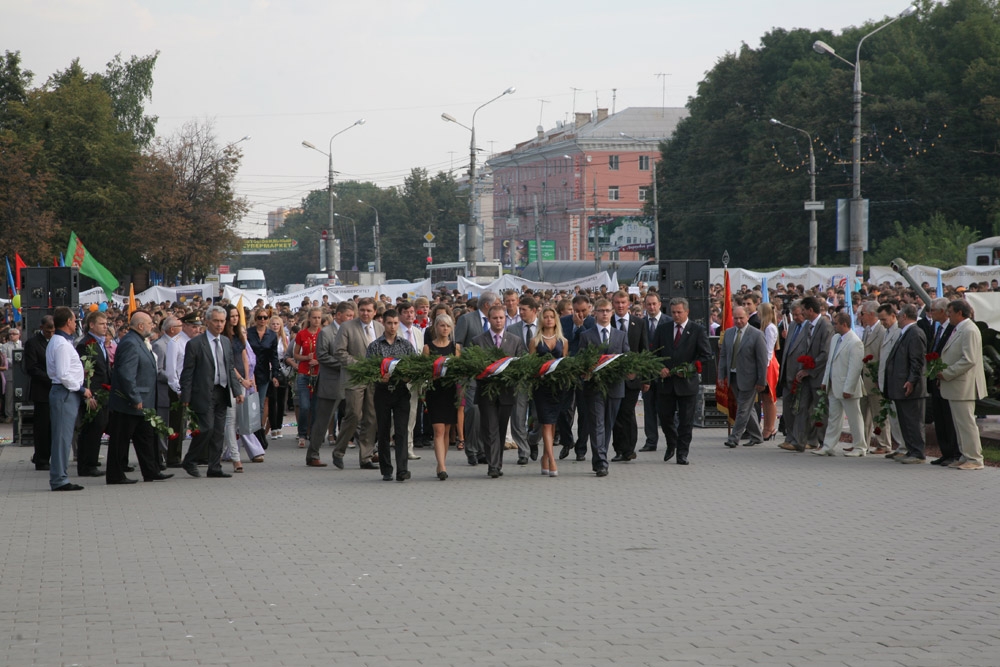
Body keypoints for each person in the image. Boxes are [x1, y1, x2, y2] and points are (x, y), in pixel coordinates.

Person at [106, 312, 172, 484]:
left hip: (143, 401)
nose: (153, 326)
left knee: (146, 437)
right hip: (130, 402)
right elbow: (126, 374)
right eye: (150, 323)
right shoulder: (130, 342)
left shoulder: (139, 341)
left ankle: (151, 471)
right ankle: (115, 475)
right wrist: (134, 397)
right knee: (121, 440)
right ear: (141, 325)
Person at [180, 305, 245, 479]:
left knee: (218, 431)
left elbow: (230, 368)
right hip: (203, 392)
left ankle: (214, 467)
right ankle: (190, 460)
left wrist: (237, 391)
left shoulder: (225, 342)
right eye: (216, 321)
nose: (219, 324)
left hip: (222, 391)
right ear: (207, 321)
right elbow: (187, 372)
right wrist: (185, 396)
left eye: (222, 321)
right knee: (206, 428)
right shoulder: (195, 344)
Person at [652, 297, 712, 464]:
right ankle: (672, 442)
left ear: (687, 312)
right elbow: (653, 353)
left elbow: (706, 356)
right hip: (666, 383)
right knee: (665, 417)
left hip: (686, 384)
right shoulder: (663, 329)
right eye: (673, 312)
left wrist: (688, 369)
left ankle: (682, 453)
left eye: (679, 312)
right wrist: (660, 368)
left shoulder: (697, 330)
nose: (676, 315)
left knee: (686, 421)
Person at [471, 304, 527, 479]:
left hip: (506, 393)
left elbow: (520, 365)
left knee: (501, 429)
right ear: (489, 319)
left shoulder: (515, 340)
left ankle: (497, 462)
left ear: (505, 319)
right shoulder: (478, 341)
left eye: (501, 318)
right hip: (486, 392)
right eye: (495, 318)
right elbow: (474, 367)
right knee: (490, 428)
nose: (498, 321)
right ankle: (493, 465)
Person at [578, 298, 629, 477]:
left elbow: (627, 357)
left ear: (612, 312)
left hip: (615, 387)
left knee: (607, 424)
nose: (605, 314)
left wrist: (629, 371)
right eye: (601, 311)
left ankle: (601, 456)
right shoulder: (586, 335)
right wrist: (586, 371)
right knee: (597, 424)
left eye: (607, 310)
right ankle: (601, 462)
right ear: (595, 313)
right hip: (594, 387)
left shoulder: (620, 335)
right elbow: (581, 360)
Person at [331, 297, 384, 470]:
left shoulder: (380, 328)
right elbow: (339, 351)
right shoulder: (347, 327)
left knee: (371, 417)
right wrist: (359, 365)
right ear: (357, 310)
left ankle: (366, 457)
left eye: (369, 310)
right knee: (353, 414)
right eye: (362, 310)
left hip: (374, 378)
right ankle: (339, 451)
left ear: (374, 312)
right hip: (354, 377)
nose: (365, 313)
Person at [366, 309, 417, 481]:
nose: (392, 326)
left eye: (395, 323)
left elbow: (414, 366)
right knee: (383, 431)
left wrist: (408, 376)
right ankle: (386, 469)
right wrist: (379, 378)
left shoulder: (405, 345)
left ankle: (402, 469)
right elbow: (368, 371)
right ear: (383, 323)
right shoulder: (375, 346)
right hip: (382, 393)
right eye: (389, 323)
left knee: (401, 430)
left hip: (401, 392)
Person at [779, 296, 832, 452]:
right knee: (801, 408)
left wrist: (809, 369)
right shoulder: (807, 326)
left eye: (802, 311)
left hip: (817, 376)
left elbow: (825, 353)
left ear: (810, 310)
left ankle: (824, 443)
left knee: (819, 410)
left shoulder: (825, 326)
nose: (800, 314)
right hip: (805, 375)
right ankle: (799, 441)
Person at [937, 300, 987, 470]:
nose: (948, 315)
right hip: (956, 386)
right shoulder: (959, 328)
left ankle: (975, 458)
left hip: (964, 385)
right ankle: (965, 455)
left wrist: (947, 373)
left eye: (950, 312)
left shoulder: (969, 330)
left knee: (966, 423)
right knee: (959, 424)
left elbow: (969, 359)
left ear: (959, 313)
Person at [46, 308, 90, 491]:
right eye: (74, 319)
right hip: (65, 392)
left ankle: (60, 476)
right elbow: (63, 374)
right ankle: (59, 479)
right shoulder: (62, 344)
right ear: (68, 322)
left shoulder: (60, 341)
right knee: (62, 438)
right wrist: (81, 389)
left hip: (64, 391)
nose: (75, 322)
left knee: (63, 437)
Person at [307, 301, 355, 466]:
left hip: (351, 381)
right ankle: (313, 454)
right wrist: (344, 364)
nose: (351, 318)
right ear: (338, 315)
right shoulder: (326, 332)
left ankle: (368, 452)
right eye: (348, 315)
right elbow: (322, 356)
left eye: (352, 316)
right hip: (331, 383)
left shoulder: (352, 331)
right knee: (323, 420)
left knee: (355, 416)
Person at [454, 291, 498, 466]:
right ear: (487, 305)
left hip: (490, 375)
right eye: (496, 303)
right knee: (473, 410)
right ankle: (471, 450)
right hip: (470, 374)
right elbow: (458, 345)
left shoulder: (495, 321)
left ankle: (482, 450)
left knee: (485, 412)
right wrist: (471, 357)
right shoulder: (467, 319)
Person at [814, 312, 866, 457]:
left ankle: (860, 447)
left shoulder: (855, 342)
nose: (833, 326)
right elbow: (830, 362)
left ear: (844, 324)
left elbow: (855, 368)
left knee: (854, 418)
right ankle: (828, 446)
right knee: (833, 418)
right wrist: (825, 381)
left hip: (848, 387)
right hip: (833, 385)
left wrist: (849, 388)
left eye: (835, 323)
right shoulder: (836, 338)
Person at [883, 304, 928, 464]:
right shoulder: (906, 332)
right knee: (906, 421)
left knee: (913, 421)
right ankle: (911, 450)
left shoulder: (915, 333)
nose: (897, 319)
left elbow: (917, 361)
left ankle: (918, 453)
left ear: (904, 316)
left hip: (911, 388)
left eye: (898, 315)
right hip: (902, 386)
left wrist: (911, 381)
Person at [719, 306, 767, 449]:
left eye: (741, 318)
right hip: (733, 376)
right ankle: (757, 436)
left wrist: (761, 380)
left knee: (743, 409)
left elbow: (762, 360)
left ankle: (734, 438)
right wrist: (721, 375)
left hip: (750, 379)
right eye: (736, 318)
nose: (738, 321)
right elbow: (723, 356)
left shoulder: (757, 335)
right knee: (747, 408)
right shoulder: (728, 333)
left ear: (747, 317)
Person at [610, 289, 648, 462]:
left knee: (627, 412)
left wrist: (645, 378)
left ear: (629, 304)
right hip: (614, 377)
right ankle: (619, 449)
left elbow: (644, 350)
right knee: (617, 414)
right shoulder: (608, 321)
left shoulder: (638, 323)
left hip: (633, 378)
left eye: (623, 302)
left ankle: (629, 448)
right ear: (613, 304)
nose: (620, 306)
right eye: (617, 303)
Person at [529, 306, 567, 477]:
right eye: (546, 317)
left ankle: (544, 457)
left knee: (552, 423)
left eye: (552, 316)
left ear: (556, 319)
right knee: (545, 422)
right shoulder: (535, 341)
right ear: (541, 320)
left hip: (558, 387)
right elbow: (531, 365)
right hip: (541, 387)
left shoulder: (563, 341)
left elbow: (564, 363)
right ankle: (552, 460)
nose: (549, 319)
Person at [558, 294, 595, 461]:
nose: (580, 314)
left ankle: (581, 448)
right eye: (576, 311)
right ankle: (567, 441)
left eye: (583, 311)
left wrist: (580, 327)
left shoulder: (592, 323)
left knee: (584, 412)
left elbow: (591, 343)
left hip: (584, 372)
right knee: (562, 409)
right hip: (567, 371)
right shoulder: (564, 321)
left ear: (589, 309)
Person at [423, 314, 460, 480]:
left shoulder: (455, 348)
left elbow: (459, 370)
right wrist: (433, 376)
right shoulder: (428, 348)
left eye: (448, 326)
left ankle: (441, 464)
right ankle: (443, 467)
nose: (445, 329)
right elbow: (424, 371)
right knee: (438, 429)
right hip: (435, 392)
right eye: (442, 325)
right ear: (435, 327)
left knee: (446, 430)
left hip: (450, 391)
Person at [506, 295, 541, 465]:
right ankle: (523, 451)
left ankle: (532, 440)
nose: (520, 312)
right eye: (520, 309)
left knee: (540, 416)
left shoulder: (544, 326)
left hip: (539, 379)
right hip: (519, 380)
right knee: (518, 416)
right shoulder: (512, 329)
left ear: (534, 310)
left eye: (524, 310)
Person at [923, 298, 958, 465]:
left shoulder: (952, 329)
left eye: (933, 310)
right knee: (940, 418)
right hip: (935, 379)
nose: (931, 313)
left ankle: (953, 453)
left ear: (943, 311)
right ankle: (945, 452)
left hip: (946, 379)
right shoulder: (938, 329)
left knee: (948, 418)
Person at [75, 311, 110, 477]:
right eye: (102, 324)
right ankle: (87, 465)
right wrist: (87, 395)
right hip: (93, 394)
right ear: (92, 325)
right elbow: (84, 372)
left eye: (106, 324)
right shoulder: (86, 344)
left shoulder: (99, 343)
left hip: (102, 393)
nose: (105, 327)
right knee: (91, 429)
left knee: (97, 428)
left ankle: (91, 461)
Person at [165, 312, 201, 467]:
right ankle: (173, 457)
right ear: (184, 326)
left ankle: (199, 454)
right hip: (179, 388)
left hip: (195, 386)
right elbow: (171, 370)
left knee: (197, 422)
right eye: (193, 327)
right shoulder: (176, 342)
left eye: (198, 327)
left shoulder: (198, 341)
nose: (197, 330)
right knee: (178, 423)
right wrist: (178, 389)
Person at [640, 291, 670, 452]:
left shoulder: (669, 322)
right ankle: (651, 441)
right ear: (644, 306)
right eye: (648, 304)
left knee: (666, 410)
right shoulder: (640, 323)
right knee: (649, 408)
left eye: (654, 304)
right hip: (647, 374)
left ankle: (672, 440)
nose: (651, 307)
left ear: (659, 305)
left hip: (665, 373)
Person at [856, 301, 888, 454]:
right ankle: (862, 443)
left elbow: (883, 355)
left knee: (878, 413)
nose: (860, 316)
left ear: (871, 314)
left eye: (862, 313)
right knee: (862, 413)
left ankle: (884, 444)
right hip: (864, 378)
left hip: (875, 379)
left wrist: (879, 377)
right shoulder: (867, 330)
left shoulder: (882, 331)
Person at [247, 307, 281, 450]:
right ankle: (246, 433)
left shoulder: (272, 335)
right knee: (247, 404)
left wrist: (275, 374)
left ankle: (257, 434)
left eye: (265, 317)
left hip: (263, 374)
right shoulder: (249, 333)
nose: (262, 320)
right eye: (260, 317)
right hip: (249, 373)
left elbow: (274, 356)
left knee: (260, 405)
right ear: (255, 319)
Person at [24, 316, 55, 471]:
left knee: (53, 427)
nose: (51, 334)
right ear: (42, 328)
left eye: (53, 331)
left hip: (56, 390)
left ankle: (47, 455)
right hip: (42, 391)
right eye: (48, 331)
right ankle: (41, 459)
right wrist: (51, 379)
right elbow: (31, 368)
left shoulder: (57, 341)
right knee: (43, 426)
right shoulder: (33, 343)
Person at [396, 301, 425, 461]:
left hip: (414, 381)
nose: (409, 315)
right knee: (395, 416)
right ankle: (388, 443)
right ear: (400, 314)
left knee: (412, 415)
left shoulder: (418, 332)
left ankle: (408, 448)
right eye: (406, 312)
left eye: (412, 312)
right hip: (398, 379)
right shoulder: (395, 330)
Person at [152, 316, 181, 469]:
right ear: (172, 329)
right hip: (164, 392)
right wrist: (173, 376)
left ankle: (172, 455)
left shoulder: (178, 343)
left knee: (174, 424)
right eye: (179, 326)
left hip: (176, 391)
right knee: (163, 425)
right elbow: (158, 370)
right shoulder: (160, 345)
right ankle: (162, 454)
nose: (182, 328)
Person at [292, 307, 323, 449]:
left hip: (318, 374)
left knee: (316, 407)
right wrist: (305, 358)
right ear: (309, 318)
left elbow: (329, 354)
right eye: (314, 317)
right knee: (304, 406)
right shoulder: (302, 334)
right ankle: (302, 434)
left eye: (319, 318)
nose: (316, 320)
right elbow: (295, 354)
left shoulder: (323, 333)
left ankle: (314, 434)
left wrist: (318, 361)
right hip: (304, 373)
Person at [758, 302, 780, 440]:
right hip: (766, 364)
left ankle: (770, 427)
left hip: (768, 365)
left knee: (770, 397)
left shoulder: (770, 328)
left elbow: (768, 350)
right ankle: (767, 427)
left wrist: (763, 369)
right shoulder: (766, 327)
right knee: (764, 398)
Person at [267, 315, 291, 439]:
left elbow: (288, 354)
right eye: (273, 324)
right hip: (271, 369)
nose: (275, 326)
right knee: (273, 400)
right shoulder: (267, 338)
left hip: (283, 370)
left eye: (277, 324)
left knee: (281, 401)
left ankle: (279, 426)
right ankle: (273, 427)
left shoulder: (285, 338)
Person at [1, 326, 22, 422]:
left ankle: (19, 413)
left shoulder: (22, 344)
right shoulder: (5, 346)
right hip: (9, 374)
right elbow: (5, 360)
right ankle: (9, 415)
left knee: (20, 394)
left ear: (19, 335)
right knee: (9, 396)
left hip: (21, 373)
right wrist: (17, 361)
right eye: (10, 334)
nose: (12, 336)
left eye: (14, 334)